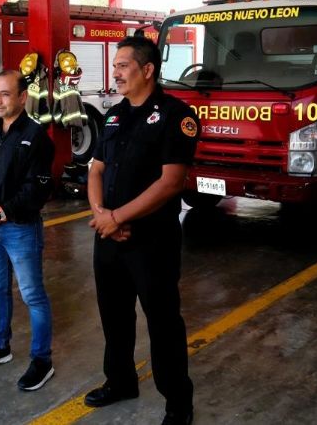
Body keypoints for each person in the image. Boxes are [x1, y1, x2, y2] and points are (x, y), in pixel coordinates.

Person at [84, 37, 199, 425]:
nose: (115, 72)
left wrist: (117, 217)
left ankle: (178, 403)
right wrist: (102, 215)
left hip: (152, 242)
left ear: (147, 70)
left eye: (123, 65)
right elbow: (96, 169)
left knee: (163, 322)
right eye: (114, 66)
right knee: (114, 317)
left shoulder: (175, 116)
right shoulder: (115, 116)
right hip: (110, 239)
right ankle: (120, 381)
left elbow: (171, 182)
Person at [0, 70, 56, 391]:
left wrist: (5, 211)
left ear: (22, 97)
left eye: (5, 94)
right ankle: (0, 347)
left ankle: (41, 359)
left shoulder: (36, 137)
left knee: (32, 294)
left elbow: (40, 188)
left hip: (19, 228)